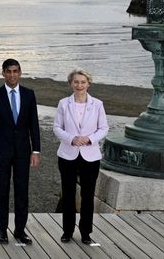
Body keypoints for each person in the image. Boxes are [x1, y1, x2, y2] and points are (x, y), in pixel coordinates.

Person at [0, 58, 40, 246]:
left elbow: (34, 124)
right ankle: (2, 229)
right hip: (1, 152)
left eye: (15, 71)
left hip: (24, 152)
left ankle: (19, 230)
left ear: (20, 73)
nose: (12, 75)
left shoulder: (29, 94)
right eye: (8, 71)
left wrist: (36, 150)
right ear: (3, 73)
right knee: (1, 191)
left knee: (22, 191)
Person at [53, 68, 108, 245]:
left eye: (83, 82)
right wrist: (72, 139)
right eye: (76, 82)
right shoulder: (63, 103)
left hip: (90, 156)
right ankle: (67, 231)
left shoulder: (98, 104)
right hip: (67, 154)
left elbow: (104, 128)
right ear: (70, 84)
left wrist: (90, 139)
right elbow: (57, 128)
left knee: (87, 195)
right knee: (68, 195)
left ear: (88, 84)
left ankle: (86, 232)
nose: (79, 85)